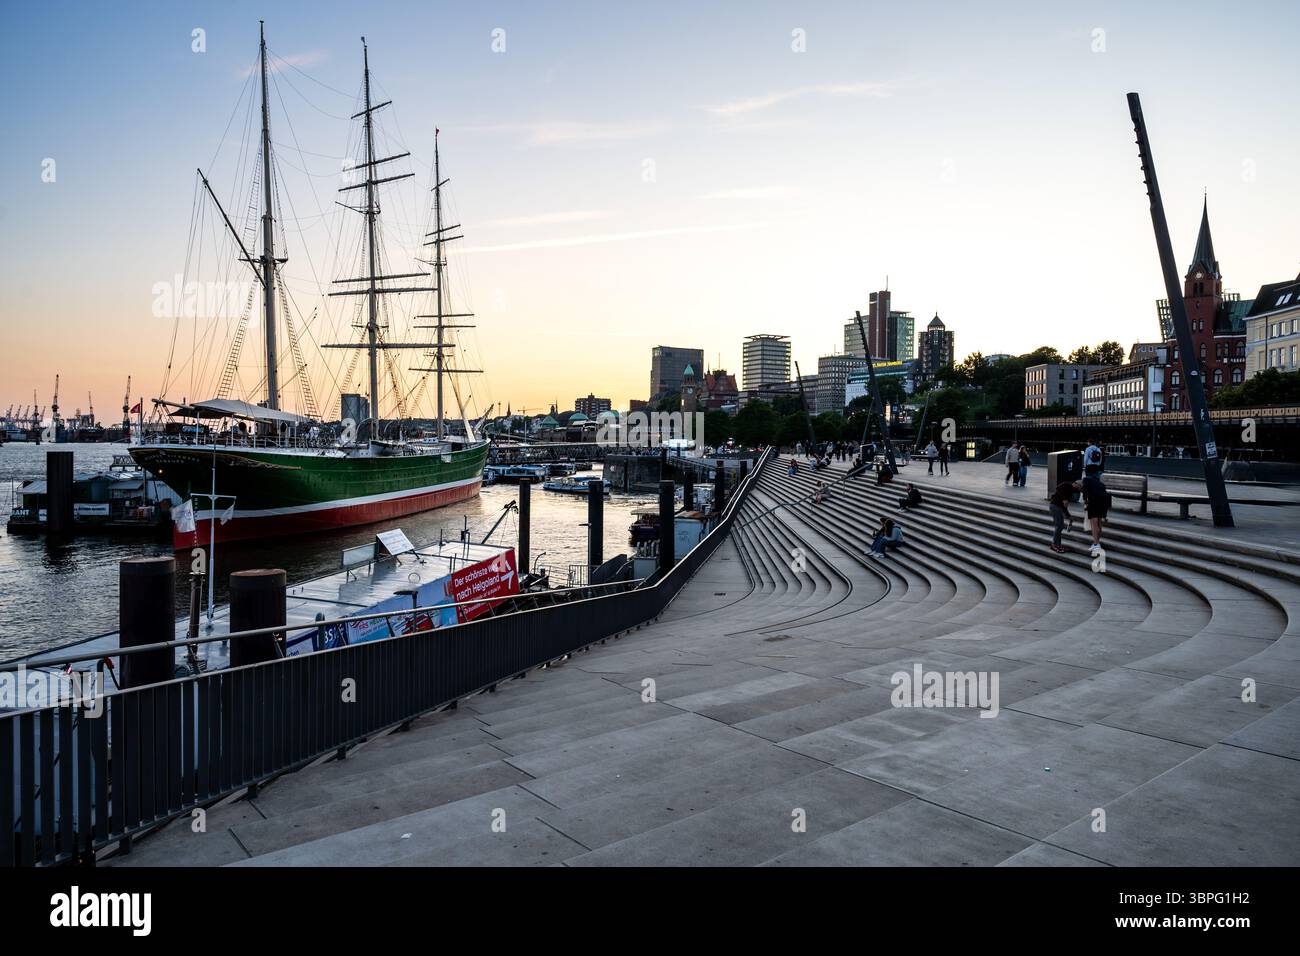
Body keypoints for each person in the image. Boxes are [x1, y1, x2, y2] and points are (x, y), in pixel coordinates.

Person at [1081, 473, 1110, 557]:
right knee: (1099, 522)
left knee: (1094, 523)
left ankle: (1096, 544)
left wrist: (1085, 502)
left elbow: (1085, 490)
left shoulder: (1085, 480)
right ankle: (1096, 543)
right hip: (1104, 501)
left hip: (1094, 500)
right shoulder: (1100, 483)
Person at [1048, 479, 1079, 553]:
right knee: (1059, 526)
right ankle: (1054, 544)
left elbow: (1064, 506)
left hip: (1058, 507)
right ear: (1075, 483)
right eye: (1079, 487)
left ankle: (1058, 544)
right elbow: (1058, 488)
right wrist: (1064, 499)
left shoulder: (1071, 492)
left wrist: (1069, 516)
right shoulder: (1067, 484)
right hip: (1055, 506)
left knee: (1060, 526)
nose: (1079, 489)